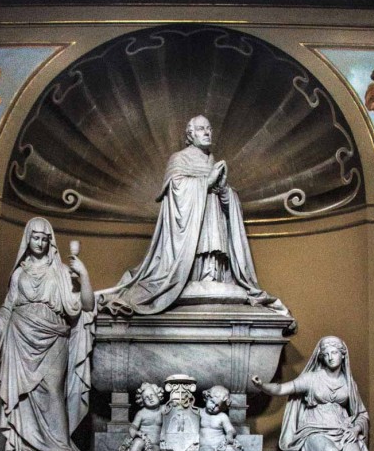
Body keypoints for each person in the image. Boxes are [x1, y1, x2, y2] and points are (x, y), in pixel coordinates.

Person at [98, 115, 291, 319]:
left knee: (214, 218)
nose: (207, 132)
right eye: (201, 129)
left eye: (209, 128)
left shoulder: (212, 160)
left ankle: (211, 274)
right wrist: (206, 183)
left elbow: (226, 205)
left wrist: (224, 188)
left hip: (214, 225)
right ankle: (190, 275)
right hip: (190, 236)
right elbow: (176, 193)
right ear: (190, 134)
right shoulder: (179, 158)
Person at [0, 217, 95, 451]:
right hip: (20, 335)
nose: (39, 242)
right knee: (25, 395)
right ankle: (27, 446)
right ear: (28, 239)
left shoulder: (60, 271)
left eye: (44, 238)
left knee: (53, 388)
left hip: (53, 335)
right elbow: (8, 306)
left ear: (51, 241)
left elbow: (86, 305)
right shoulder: (19, 273)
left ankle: (61, 445)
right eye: (35, 237)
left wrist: (84, 275)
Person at [199, 385, 250, 451]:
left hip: (219, 445)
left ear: (223, 407)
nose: (213, 407)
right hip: (204, 446)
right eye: (212, 402)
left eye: (218, 406)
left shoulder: (222, 417)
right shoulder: (199, 413)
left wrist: (230, 435)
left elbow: (230, 429)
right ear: (207, 398)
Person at [122, 383, 165, 451]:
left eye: (152, 395)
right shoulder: (141, 413)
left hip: (155, 445)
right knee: (138, 442)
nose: (150, 398)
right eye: (146, 398)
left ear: (158, 395)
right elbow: (132, 428)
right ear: (142, 401)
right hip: (143, 441)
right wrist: (138, 433)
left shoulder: (163, 409)